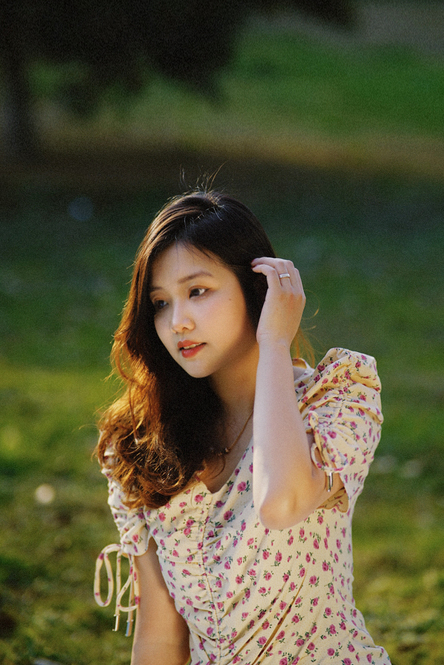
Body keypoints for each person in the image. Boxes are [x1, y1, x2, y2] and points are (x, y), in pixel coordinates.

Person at [94, 189, 391, 665]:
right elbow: (161, 636)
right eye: (160, 303)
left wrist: (274, 341)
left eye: (197, 291)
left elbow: (281, 503)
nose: (177, 322)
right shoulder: (144, 442)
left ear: (256, 290)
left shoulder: (335, 399)